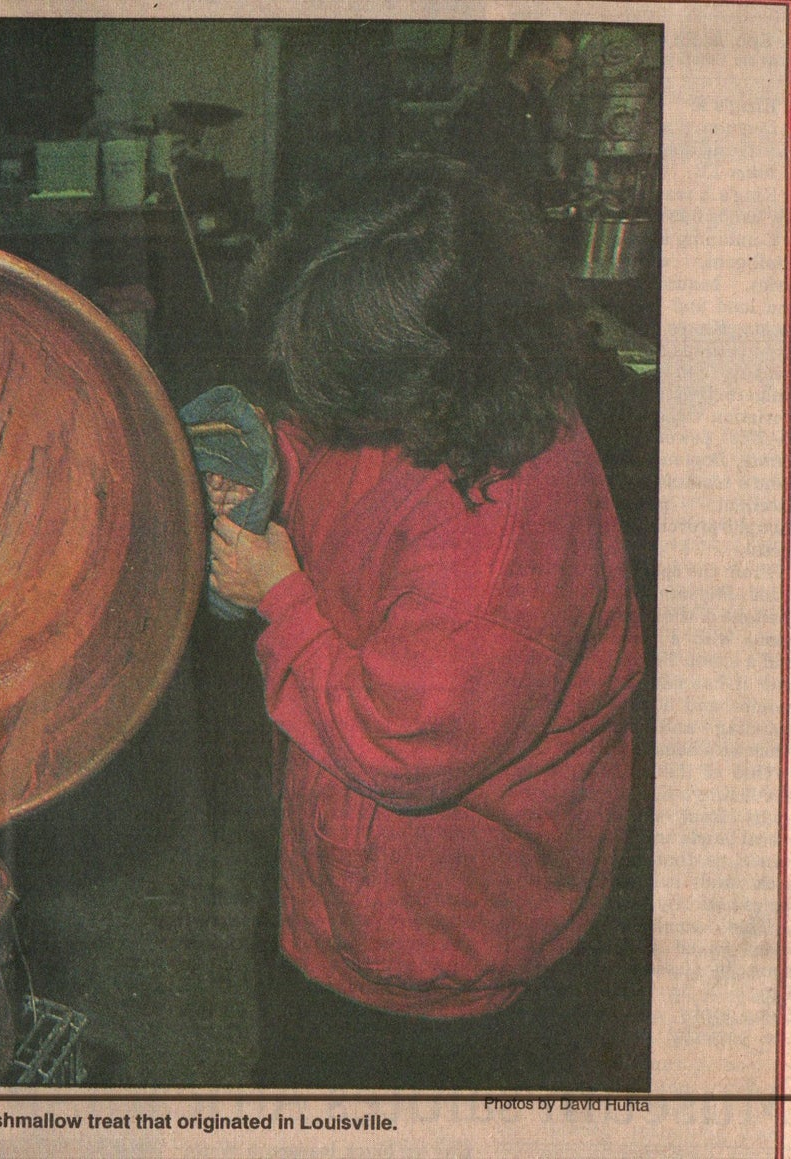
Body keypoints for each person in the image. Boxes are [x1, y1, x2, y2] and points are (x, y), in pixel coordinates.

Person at [205, 155, 643, 1088]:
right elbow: (338, 439)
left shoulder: (500, 553)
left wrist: (279, 596)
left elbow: (402, 738)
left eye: (335, 386)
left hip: (441, 930)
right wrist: (270, 460)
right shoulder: (453, 377)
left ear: (411, 377)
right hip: (350, 857)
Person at [448, 24, 576, 209]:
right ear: (532, 55)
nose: (563, 70)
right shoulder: (485, 102)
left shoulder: (540, 104)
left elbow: (540, 163)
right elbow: (469, 171)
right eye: (557, 62)